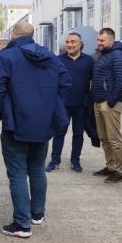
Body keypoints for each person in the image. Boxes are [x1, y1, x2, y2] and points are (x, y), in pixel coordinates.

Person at [0, 21, 71, 238]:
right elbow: (65, 84)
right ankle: (37, 213)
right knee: (37, 169)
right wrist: (50, 108)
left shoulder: (6, 57)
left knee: (17, 173)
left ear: (13, 36)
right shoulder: (51, 57)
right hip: (43, 124)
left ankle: (22, 224)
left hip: (16, 124)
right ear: (32, 36)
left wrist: (3, 113)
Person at [46, 32, 95, 173]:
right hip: (62, 104)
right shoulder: (58, 60)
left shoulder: (89, 61)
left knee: (78, 133)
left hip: (81, 105)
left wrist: (89, 99)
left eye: (73, 42)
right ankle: (55, 160)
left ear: (80, 44)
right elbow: (51, 80)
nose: (69, 45)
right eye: (67, 42)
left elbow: (95, 81)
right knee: (59, 132)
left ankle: (75, 160)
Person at [91, 28, 122, 183]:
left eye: (102, 40)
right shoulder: (102, 55)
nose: (99, 43)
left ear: (111, 41)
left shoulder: (117, 55)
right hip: (99, 101)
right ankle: (110, 166)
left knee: (114, 138)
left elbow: (121, 80)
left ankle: (119, 171)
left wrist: (110, 101)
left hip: (110, 103)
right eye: (98, 40)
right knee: (104, 137)